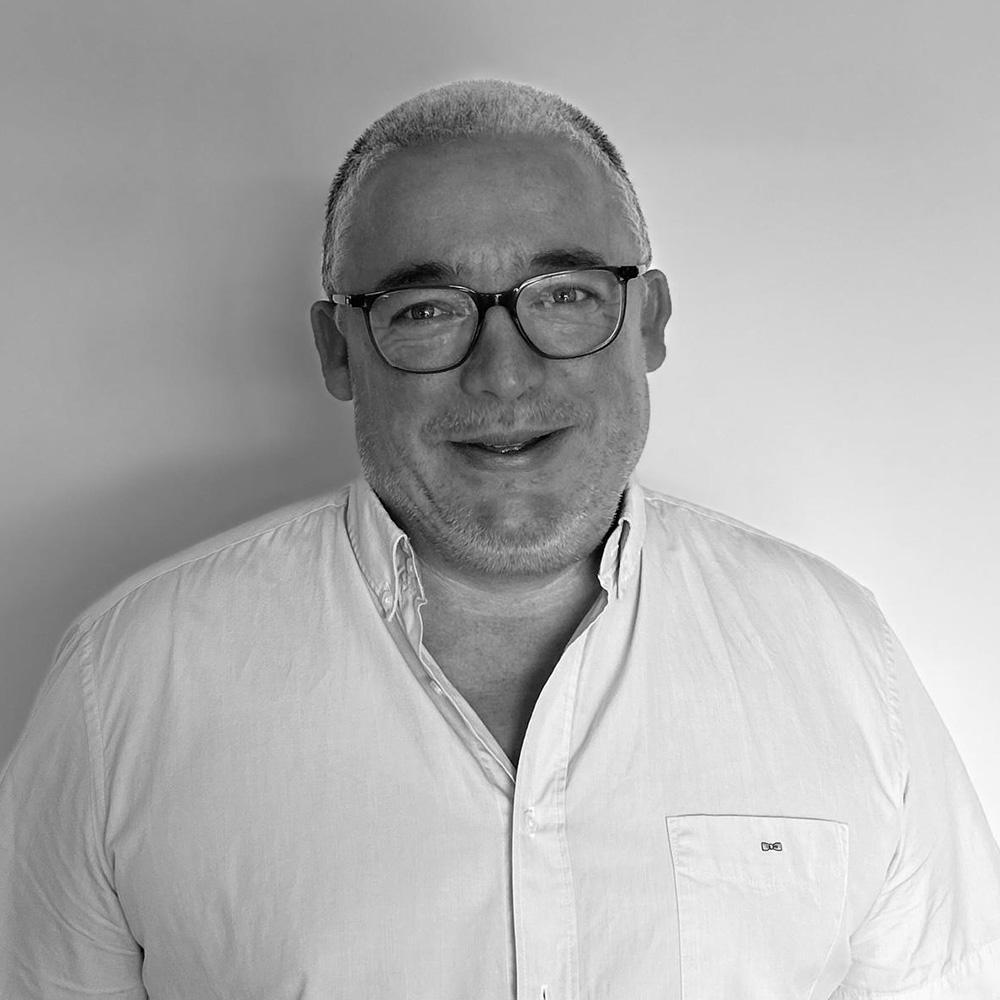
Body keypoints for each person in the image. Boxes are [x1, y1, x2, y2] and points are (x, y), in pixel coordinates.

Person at [1, 79, 998, 1000]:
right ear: (337, 349)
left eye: (564, 295)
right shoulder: (125, 683)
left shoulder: (841, 656)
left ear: (649, 321)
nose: (504, 375)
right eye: (428, 310)